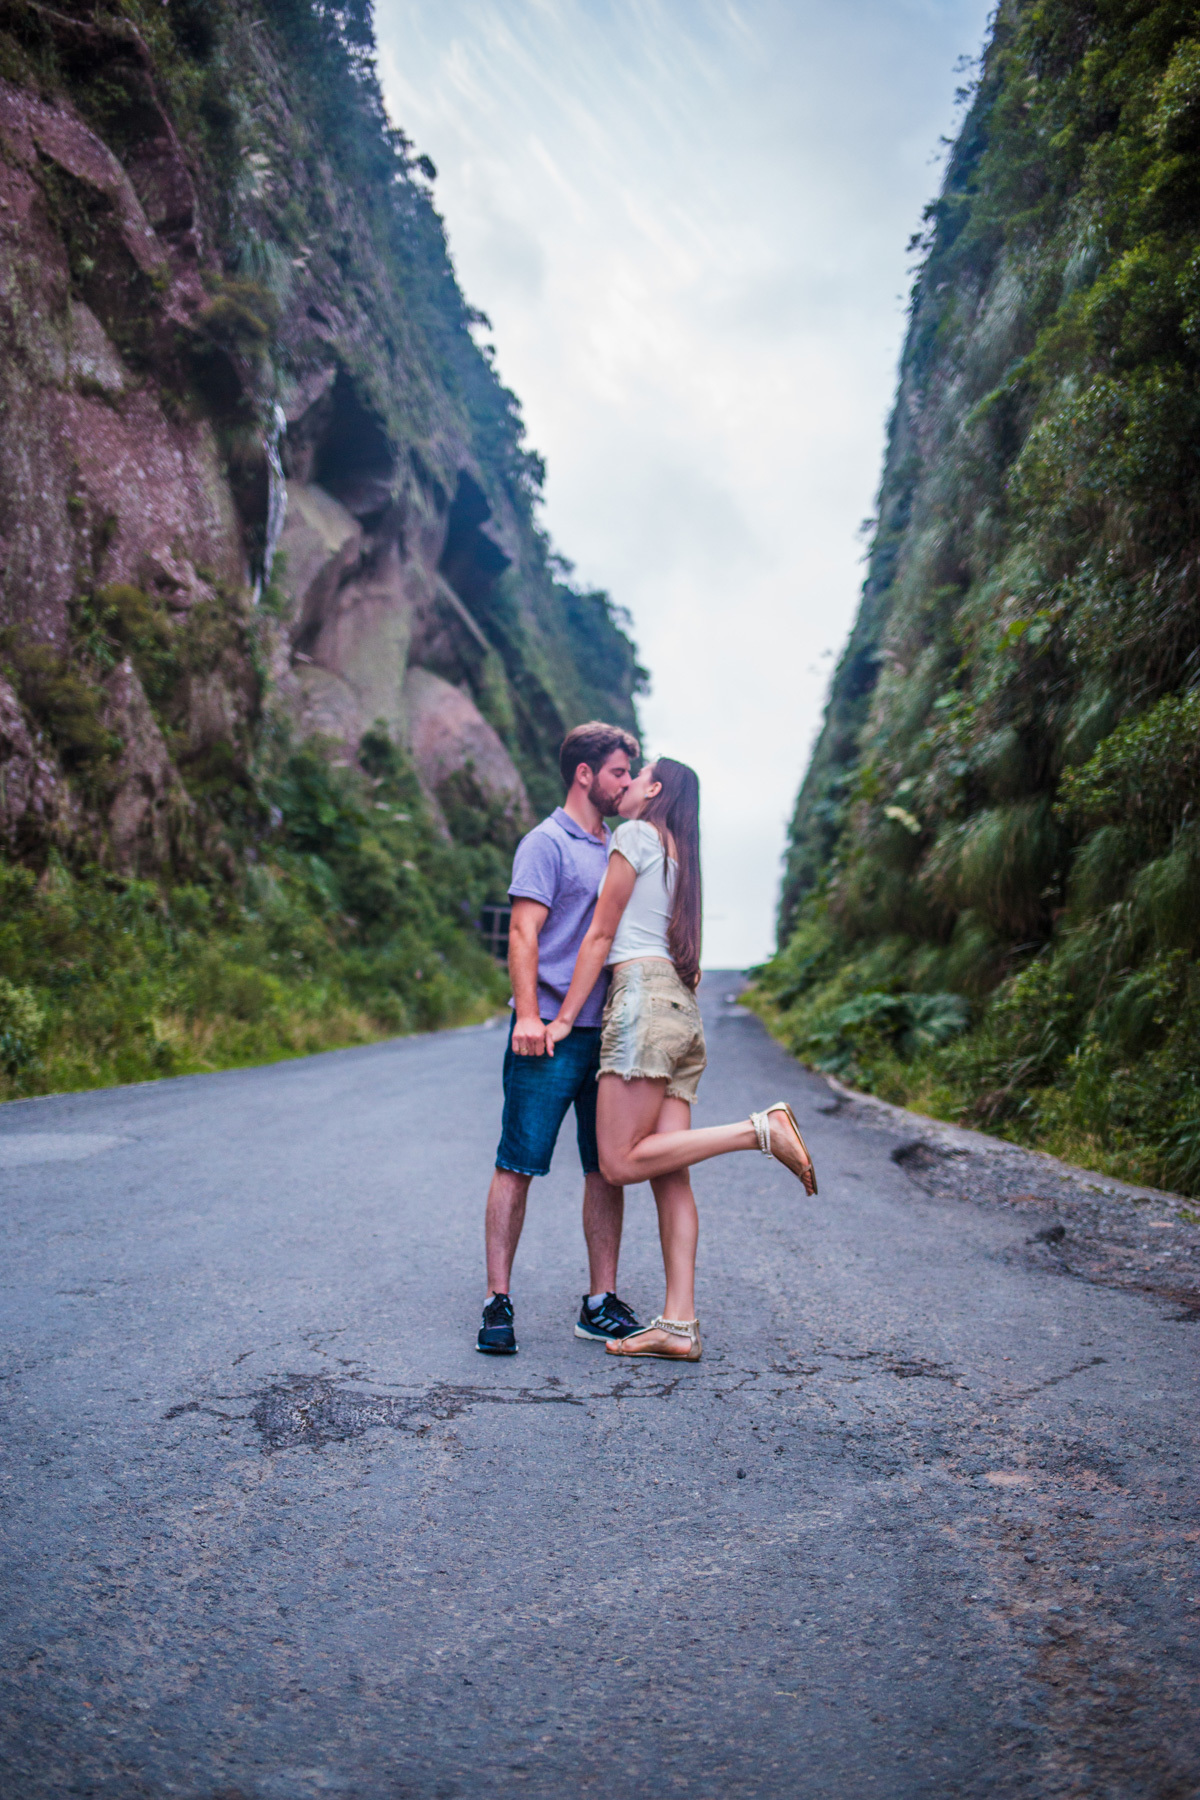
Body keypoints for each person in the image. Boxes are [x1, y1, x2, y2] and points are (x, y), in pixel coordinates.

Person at [544, 756, 818, 1362]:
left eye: (638, 774)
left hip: (642, 1000)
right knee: (670, 1175)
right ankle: (679, 1326)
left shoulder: (636, 835)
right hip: (681, 1010)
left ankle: (759, 1131)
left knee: (616, 1162)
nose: (630, 782)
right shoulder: (679, 859)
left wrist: (562, 1017)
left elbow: (598, 933)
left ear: (656, 790)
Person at [476, 721, 646, 1356]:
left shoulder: (621, 846)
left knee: (606, 1170)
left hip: (608, 1032)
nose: (626, 783)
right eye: (618, 773)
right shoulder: (545, 843)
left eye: (630, 774)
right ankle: (497, 1302)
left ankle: (599, 1302)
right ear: (585, 773)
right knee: (517, 1163)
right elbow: (523, 935)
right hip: (545, 1033)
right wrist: (526, 1014)